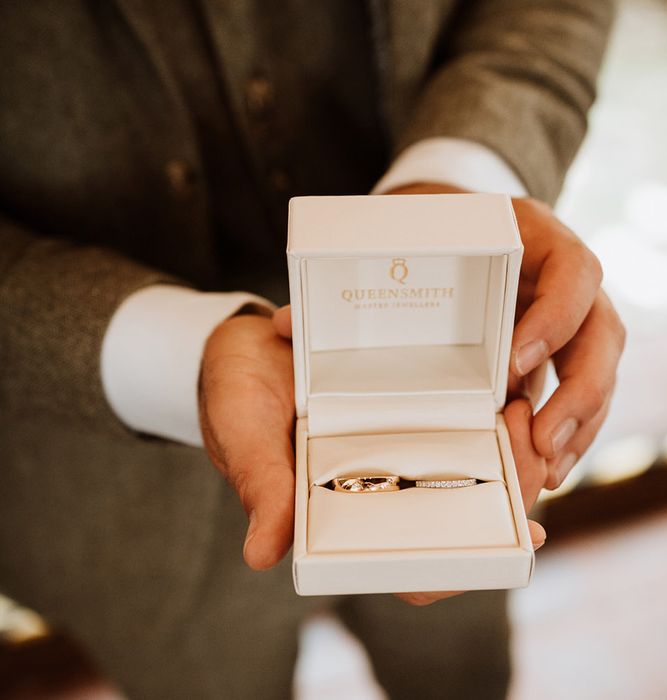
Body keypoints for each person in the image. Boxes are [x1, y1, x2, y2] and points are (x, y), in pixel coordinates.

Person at [0, 1, 624, 698]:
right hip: (108, 496)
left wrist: (452, 205)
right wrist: (173, 352)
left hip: (451, 374)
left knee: (458, 671)